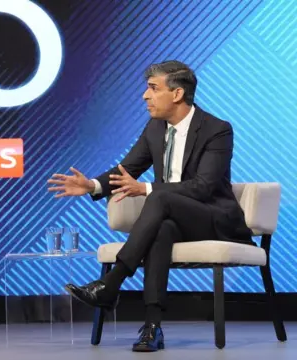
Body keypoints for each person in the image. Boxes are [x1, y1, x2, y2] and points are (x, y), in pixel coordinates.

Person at [47, 60, 253, 352]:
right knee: (162, 227)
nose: (145, 96)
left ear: (177, 94)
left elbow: (204, 186)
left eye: (153, 89)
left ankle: (112, 282)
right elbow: (128, 169)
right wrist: (91, 185)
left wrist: (145, 188)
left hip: (213, 219)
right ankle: (152, 327)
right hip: (172, 218)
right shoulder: (155, 128)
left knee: (157, 196)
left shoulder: (217, 130)